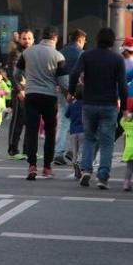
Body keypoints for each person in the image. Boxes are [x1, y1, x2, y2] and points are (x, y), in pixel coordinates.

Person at [68, 27, 128, 190]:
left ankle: (87, 170)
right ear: (112, 41)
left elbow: (74, 74)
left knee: (89, 138)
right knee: (107, 142)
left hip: (89, 103)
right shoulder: (117, 59)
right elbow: (122, 85)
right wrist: (125, 107)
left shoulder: (86, 56)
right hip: (109, 105)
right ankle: (103, 176)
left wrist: (72, 92)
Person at [17, 26, 67, 180]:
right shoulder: (58, 56)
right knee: (50, 131)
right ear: (55, 38)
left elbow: (16, 73)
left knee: (32, 130)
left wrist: (21, 86)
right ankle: (46, 166)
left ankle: (32, 166)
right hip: (49, 96)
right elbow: (64, 82)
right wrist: (68, 94)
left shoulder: (27, 52)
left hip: (31, 94)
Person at [53, 28, 86, 166]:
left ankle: (59, 152)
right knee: (80, 121)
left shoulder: (60, 52)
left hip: (60, 88)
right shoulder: (81, 53)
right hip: (77, 90)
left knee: (63, 120)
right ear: (80, 40)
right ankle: (73, 151)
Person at [6, 29, 33, 158]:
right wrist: (19, 90)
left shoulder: (33, 53)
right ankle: (13, 150)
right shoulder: (16, 53)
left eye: (29, 38)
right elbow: (12, 74)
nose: (26, 41)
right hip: (20, 92)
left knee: (30, 121)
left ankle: (27, 150)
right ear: (20, 39)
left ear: (33, 40)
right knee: (17, 121)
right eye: (24, 38)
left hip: (32, 91)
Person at [65, 87, 84, 179]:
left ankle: (75, 168)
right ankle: (79, 163)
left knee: (74, 151)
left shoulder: (72, 105)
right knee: (82, 149)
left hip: (73, 131)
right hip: (83, 130)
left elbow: (66, 115)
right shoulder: (85, 105)